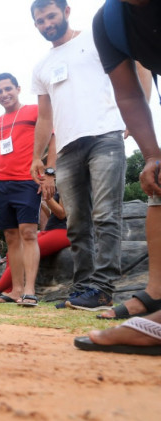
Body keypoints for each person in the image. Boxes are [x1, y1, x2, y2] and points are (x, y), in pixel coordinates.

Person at [73, 0, 161, 355]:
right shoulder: (109, 23)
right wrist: (153, 154)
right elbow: (127, 92)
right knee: (159, 189)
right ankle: (156, 296)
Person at [29, 0, 128, 311]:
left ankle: (103, 288)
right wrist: (38, 158)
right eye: (40, 20)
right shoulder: (41, 67)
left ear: (66, 12)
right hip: (68, 148)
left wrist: (134, 119)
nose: (46, 24)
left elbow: (134, 67)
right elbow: (45, 117)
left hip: (105, 135)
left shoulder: (95, 38)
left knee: (105, 214)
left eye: (51, 16)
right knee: (76, 222)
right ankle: (83, 288)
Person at [0, 73, 57, 306]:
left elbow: (53, 140)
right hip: (1, 185)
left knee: (28, 233)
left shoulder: (35, 111)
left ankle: (30, 291)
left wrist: (50, 174)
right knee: (11, 237)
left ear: (18, 88)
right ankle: (16, 290)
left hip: (28, 181)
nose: (4, 94)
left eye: (8, 89)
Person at [0, 193, 70, 302]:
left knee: (23, 253)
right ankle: (9, 291)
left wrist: (47, 197)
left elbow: (62, 214)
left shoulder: (66, 184)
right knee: (13, 252)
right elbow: (53, 215)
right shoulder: (56, 186)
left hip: (64, 231)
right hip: (51, 229)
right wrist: (41, 203)